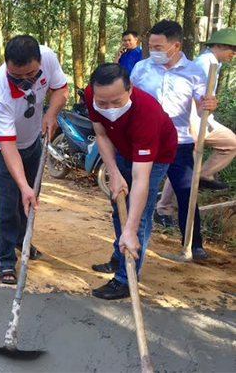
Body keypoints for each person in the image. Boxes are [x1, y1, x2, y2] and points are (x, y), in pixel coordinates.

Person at [85, 64, 177, 300]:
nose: (109, 108)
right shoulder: (91, 95)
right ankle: (120, 254)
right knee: (118, 204)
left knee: (140, 215)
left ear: (130, 89)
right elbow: (102, 134)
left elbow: (140, 179)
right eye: (103, 103)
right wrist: (113, 172)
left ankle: (127, 278)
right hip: (121, 149)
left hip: (155, 156)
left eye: (116, 102)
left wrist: (131, 230)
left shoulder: (146, 111)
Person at [0, 35, 68, 284]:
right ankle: (6, 260)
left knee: (29, 198)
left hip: (33, 139)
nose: (24, 80)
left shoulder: (48, 58)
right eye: (16, 75)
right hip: (1, 146)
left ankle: (22, 239)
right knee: (9, 199)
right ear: (6, 64)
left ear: (39, 62)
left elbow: (61, 89)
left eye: (30, 74)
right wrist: (22, 185)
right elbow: (7, 144)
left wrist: (51, 114)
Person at [129, 20, 216, 260]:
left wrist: (208, 104)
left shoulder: (195, 72)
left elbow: (201, 108)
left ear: (175, 46)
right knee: (140, 192)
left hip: (179, 142)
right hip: (146, 140)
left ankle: (193, 243)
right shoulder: (141, 69)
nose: (153, 51)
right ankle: (132, 245)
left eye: (158, 47)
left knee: (187, 193)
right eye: (151, 46)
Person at [156, 28, 236, 223]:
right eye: (232, 48)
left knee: (185, 168)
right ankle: (166, 207)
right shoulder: (202, 64)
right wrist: (192, 126)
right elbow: (190, 97)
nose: (233, 53)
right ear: (219, 46)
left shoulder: (213, 64)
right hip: (193, 122)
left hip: (203, 120)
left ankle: (197, 179)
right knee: (229, 144)